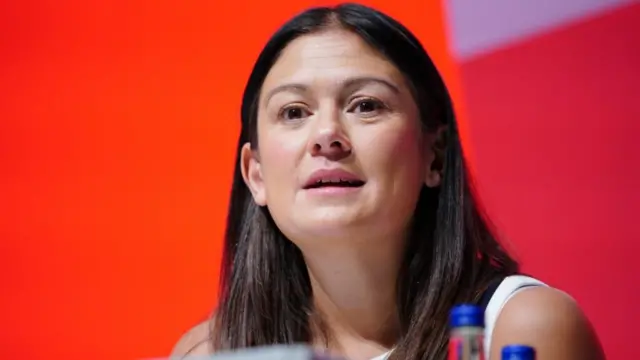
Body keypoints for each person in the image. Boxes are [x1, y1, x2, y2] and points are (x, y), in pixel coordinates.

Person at [172, 3, 604, 360]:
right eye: (294, 112)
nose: (327, 136)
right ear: (256, 174)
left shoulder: (519, 332)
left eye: (365, 105)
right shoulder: (207, 353)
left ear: (434, 155)